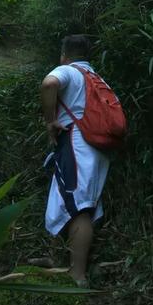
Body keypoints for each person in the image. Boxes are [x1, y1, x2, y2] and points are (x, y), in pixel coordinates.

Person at [40, 34, 110, 286]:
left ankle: (77, 275)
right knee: (68, 200)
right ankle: (57, 260)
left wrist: (50, 121)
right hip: (96, 147)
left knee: (80, 207)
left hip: (76, 144)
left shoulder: (68, 71)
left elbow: (49, 84)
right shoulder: (97, 78)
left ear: (64, 55)